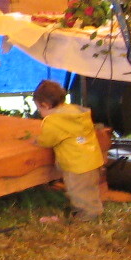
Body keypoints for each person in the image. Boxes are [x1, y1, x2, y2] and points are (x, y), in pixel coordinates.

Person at [29, 79, 103, 222]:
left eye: (39, 109)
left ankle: (87, 216)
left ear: (45, 105)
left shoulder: (54, 121)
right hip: (91, 158)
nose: (40, 112)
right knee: (88, 188)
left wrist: (37, 140)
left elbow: (48, 140)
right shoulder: (75, 111)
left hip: (76, 165)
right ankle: (92, 209)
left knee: (78, 191)